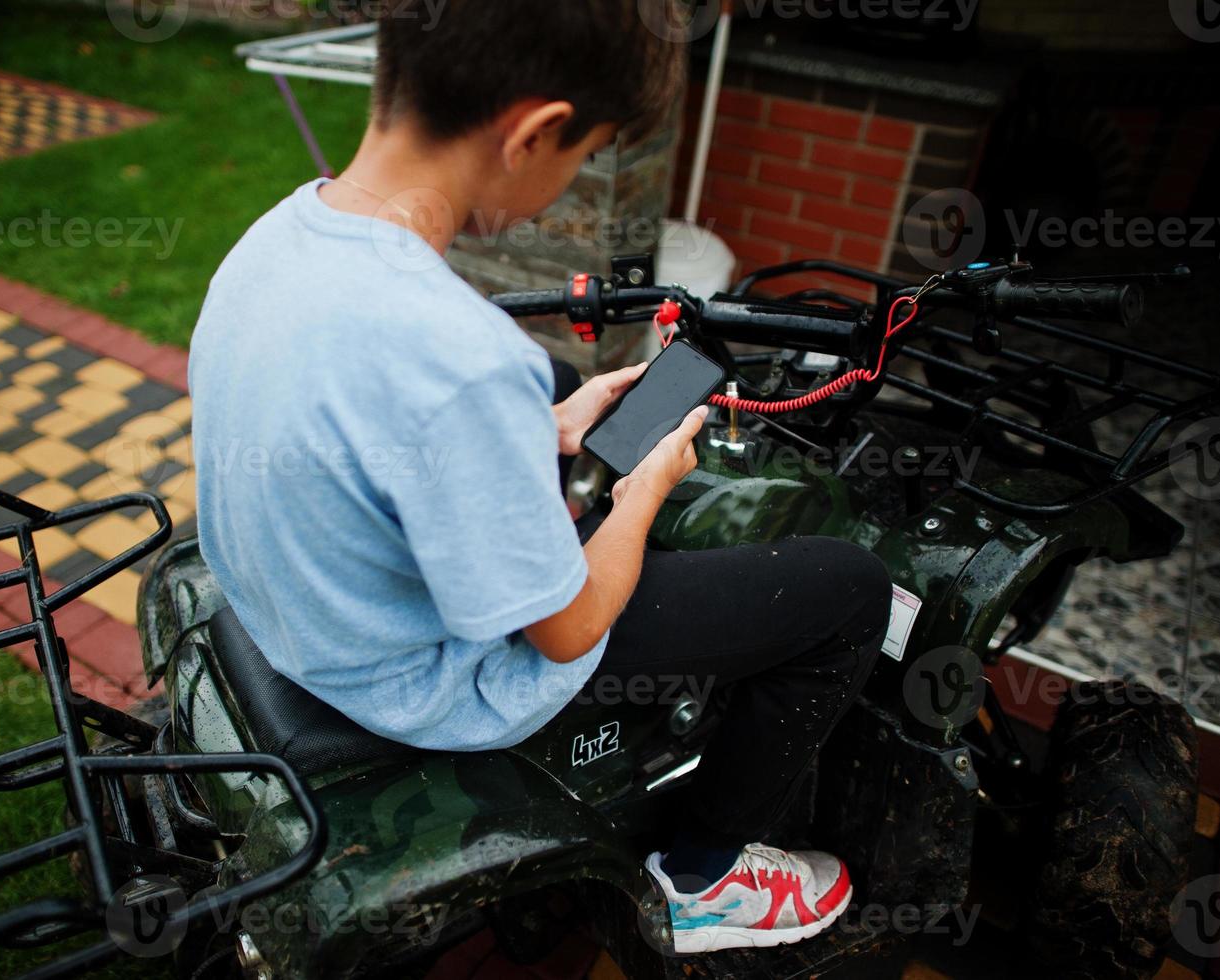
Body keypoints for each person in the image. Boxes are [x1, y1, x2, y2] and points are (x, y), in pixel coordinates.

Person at [190, 0, 892, 954]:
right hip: (425, 684)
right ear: (532, 134)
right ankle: (702, 880)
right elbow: (565, 630)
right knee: (845, 593)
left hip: (304, 620)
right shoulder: (463, 355)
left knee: (560, 388)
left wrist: (545, 424)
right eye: (587, 150)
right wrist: (644, 486)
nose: (572, 178)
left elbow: (361, 414)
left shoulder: (275, 235)